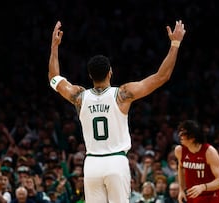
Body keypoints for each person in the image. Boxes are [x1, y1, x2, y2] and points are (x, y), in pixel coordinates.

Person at [48, 20, 186, 203]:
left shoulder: (79, 96)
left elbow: (53, 78)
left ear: (90, 75)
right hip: (116, 162)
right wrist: (175, 44)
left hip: (91, 164)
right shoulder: (122, 94)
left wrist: (54, 47)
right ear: (110, 72)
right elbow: (162, 76)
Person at [174, 120, 219, 203]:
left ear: (192, 137)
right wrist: (181, 190)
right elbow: (181, 168)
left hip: (212, 194)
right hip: (193, 193)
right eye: (180, 132)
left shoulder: (209, 152)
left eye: (183, 134)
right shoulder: (179, 151)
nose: (179, 136)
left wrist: (203, 187)